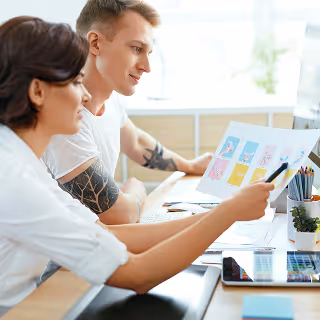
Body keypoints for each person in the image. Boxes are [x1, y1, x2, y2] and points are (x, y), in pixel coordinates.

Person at [0, 16, 274, 315]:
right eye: (76, 81)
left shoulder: (23, 162)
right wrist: (229, 212)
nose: (86, 94)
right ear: (38, 92)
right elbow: (139, 274)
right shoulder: (16, 179)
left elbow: (109, 236)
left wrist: (224, 213)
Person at [42, 0, 214, 225]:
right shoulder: (66, 120)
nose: (147, 66)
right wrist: (136, 190)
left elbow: (135, 142)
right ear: (95, 43)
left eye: (148, 52)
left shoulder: (110, 97)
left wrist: (189, 165)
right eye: (136, 49)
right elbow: (119, 215)